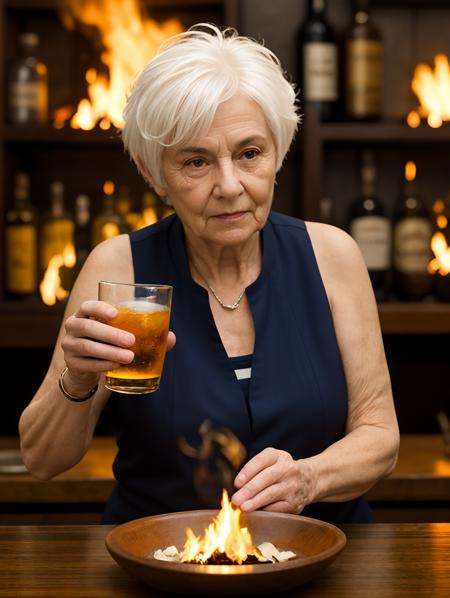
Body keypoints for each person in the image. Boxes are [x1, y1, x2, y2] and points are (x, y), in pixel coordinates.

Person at [19, 24, 399, 524]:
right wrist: (79, 379)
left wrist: (311, 478)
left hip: (324, 557)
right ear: (154, 174)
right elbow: (44, 461)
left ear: (277, 153)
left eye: (249, 154)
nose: (229, 185)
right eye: (196, 162)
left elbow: (380, 434)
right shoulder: (119, 268)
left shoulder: (332, 255)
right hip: (160, 562)